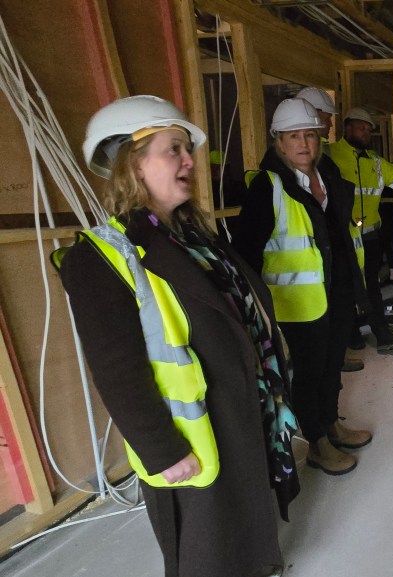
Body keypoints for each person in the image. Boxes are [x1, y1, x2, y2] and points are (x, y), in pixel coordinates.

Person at [58, 95, 298, 577]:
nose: (190, 161)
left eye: (188, 149)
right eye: (174, 149)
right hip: (190, 428)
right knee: (205, 539)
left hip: (237, 408)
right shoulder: (101, 258)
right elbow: (116, 369)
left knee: (245, 512)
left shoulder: (192, 237)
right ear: (134, 163)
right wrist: (162, 450)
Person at [233, 98, 373, 476]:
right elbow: (245, 251)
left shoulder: (328, 176)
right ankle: (316, 444)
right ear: (278, 142)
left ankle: (332, 424)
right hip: (296, 303)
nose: (303, 144)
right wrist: (258, 311)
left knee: (331, 369)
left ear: (320, 138)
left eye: (309, 134)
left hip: (335, 292)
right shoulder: (269, 187)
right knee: (309, 374)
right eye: (293, 136)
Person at [327, 106, 393, 351]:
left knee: (371, 286)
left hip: (370, 238)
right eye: (361, 127)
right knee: (343, 288)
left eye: (369, 130)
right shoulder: (330, 155)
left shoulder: (376, 162)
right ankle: (351, 334)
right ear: (347, 127)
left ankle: (381, 332)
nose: (365, 133)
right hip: (342, 238)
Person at [294, 86, 364, 373]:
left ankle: (338, 353)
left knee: (338, 312)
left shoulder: (325, 162)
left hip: (334, 254)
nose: (331, 123)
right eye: (327, 117)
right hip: (311, 268)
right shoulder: (291, 172)